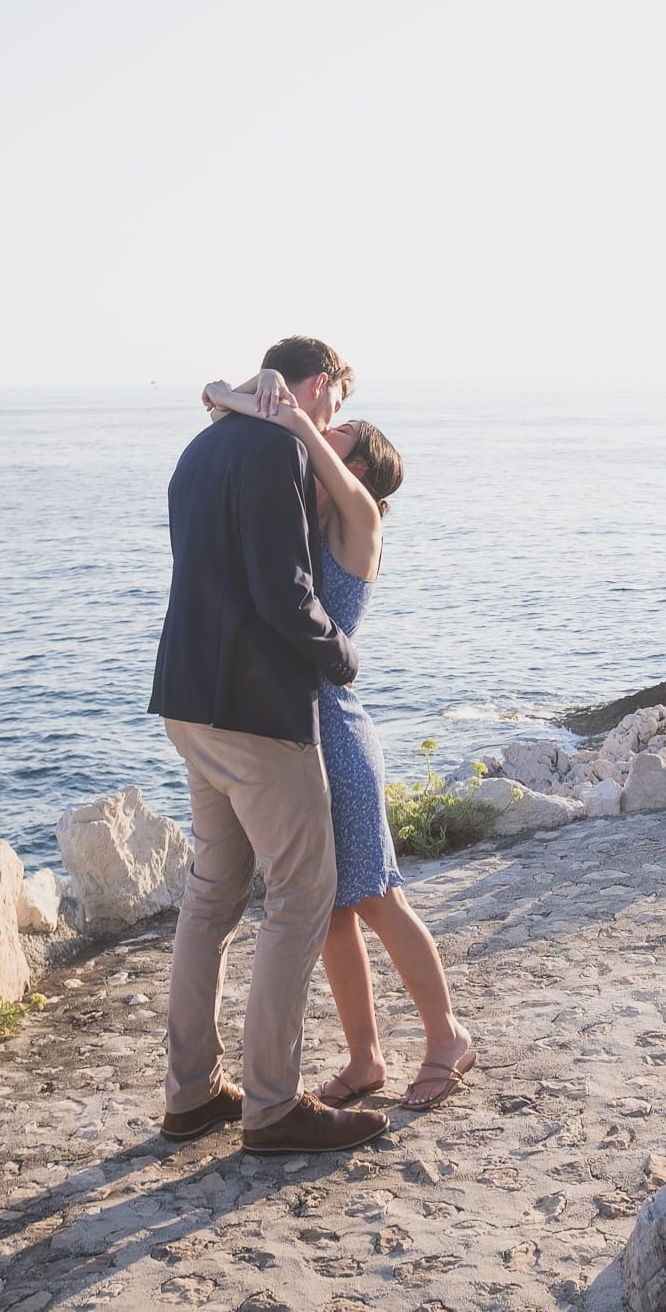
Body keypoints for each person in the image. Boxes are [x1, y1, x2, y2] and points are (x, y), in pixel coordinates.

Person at [203, 369, 480, 1111]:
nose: (325, 432)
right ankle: (364, 1060)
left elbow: (292, 426)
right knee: (328, 910)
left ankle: (448, 1037)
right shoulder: (309, 511)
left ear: (359, 466)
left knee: (381, 895)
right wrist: (233, 395)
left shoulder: (361, 517)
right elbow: (258, 418)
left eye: (341, 437)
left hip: (341, 732)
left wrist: (268, 403)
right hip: (298, 728)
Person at [147, 335, 388, 1155]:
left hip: (187, 699)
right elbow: (284, 594)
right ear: (317, 386)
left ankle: (188, 1094)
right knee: (301, 894)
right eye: (336, 403)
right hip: (255, 711)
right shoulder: (278, 448)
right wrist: (343, 656)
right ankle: (274, 1105)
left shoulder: (201, 445)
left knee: (212, 895)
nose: (331, 419)